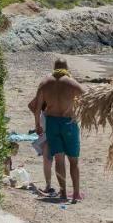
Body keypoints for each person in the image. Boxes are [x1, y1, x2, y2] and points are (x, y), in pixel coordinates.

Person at [28, 58, 85, 204]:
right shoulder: (71, 82)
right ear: (67, 67)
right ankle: (76, 194)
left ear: (54, 68)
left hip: (52, 123)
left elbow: (36, 107)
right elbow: (87, 97)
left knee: (59, 159)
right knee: (73, 160)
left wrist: (37, 125)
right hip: (69, 122)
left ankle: (63, 193)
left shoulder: (45, 82)